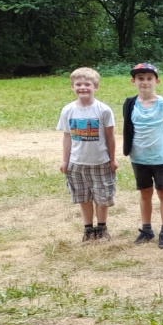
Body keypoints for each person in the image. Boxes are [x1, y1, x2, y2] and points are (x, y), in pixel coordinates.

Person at [57, 67, 117, 242]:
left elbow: (110, 137)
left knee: (102, 197)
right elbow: (67, 137)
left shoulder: (103, 110)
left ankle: (102, 228)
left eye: (87, 84)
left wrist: (112, 159)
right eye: (78, 84)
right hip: (77, 164)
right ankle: (88, 229)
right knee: (83, 197)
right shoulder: (68, 110)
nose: (82, 87)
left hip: (100, 162)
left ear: (96, 87)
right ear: (72, 87)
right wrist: (65, 160)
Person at [123, 62, 163, 248]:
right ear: (133, 81)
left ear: (157, 81)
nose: (144, 82)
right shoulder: (130, 104)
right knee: (145, 193)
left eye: (149, 78)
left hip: (161, 157)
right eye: (140, 78)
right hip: (138, 157)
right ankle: (146, 229)